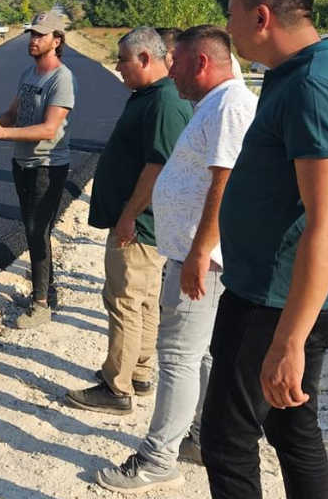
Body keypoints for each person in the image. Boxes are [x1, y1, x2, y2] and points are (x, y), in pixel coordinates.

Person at [201, 0, 328, 499]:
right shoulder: (301, 75)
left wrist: (290, 340)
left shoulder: (314, 87)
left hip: (275, 302)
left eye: (231, 16)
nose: (228, 29)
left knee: (227, 439)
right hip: (280, 295)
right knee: (290, 425)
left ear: (261, 15)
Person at [96, 25, 257, 493]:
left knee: (178, 358)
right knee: (200, 355)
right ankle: (200, 437)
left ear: (201, 63)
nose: (173, 71)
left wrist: (199, 253)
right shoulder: (215, 103)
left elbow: (222, 186)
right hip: (197, 254)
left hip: (201, 258)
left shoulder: (228, 107)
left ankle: (156, 458)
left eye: (178, 62)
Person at [67, 27, 192, 415]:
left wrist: (128, 216)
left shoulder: (164, 103)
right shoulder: (152, 96)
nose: (117, 67)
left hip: (140, 225)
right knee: (143, 301)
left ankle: (115, 387)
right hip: (147, 223)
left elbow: (158, 166)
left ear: (144, 59)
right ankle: (138, 371)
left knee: (123, 301)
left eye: (122, 59)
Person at [0, 11, 75, 328]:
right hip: (22, 162)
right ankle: (44, 290)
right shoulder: (28, 75)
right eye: (32, 34)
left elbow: (49, 129)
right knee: (33, 230)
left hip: (47, 166)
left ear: (56, 40)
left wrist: (2, 134)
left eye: (40, 35)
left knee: (37, 231)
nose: (33, 40)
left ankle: (41, 304)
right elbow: (12, 114)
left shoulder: (61, 79)